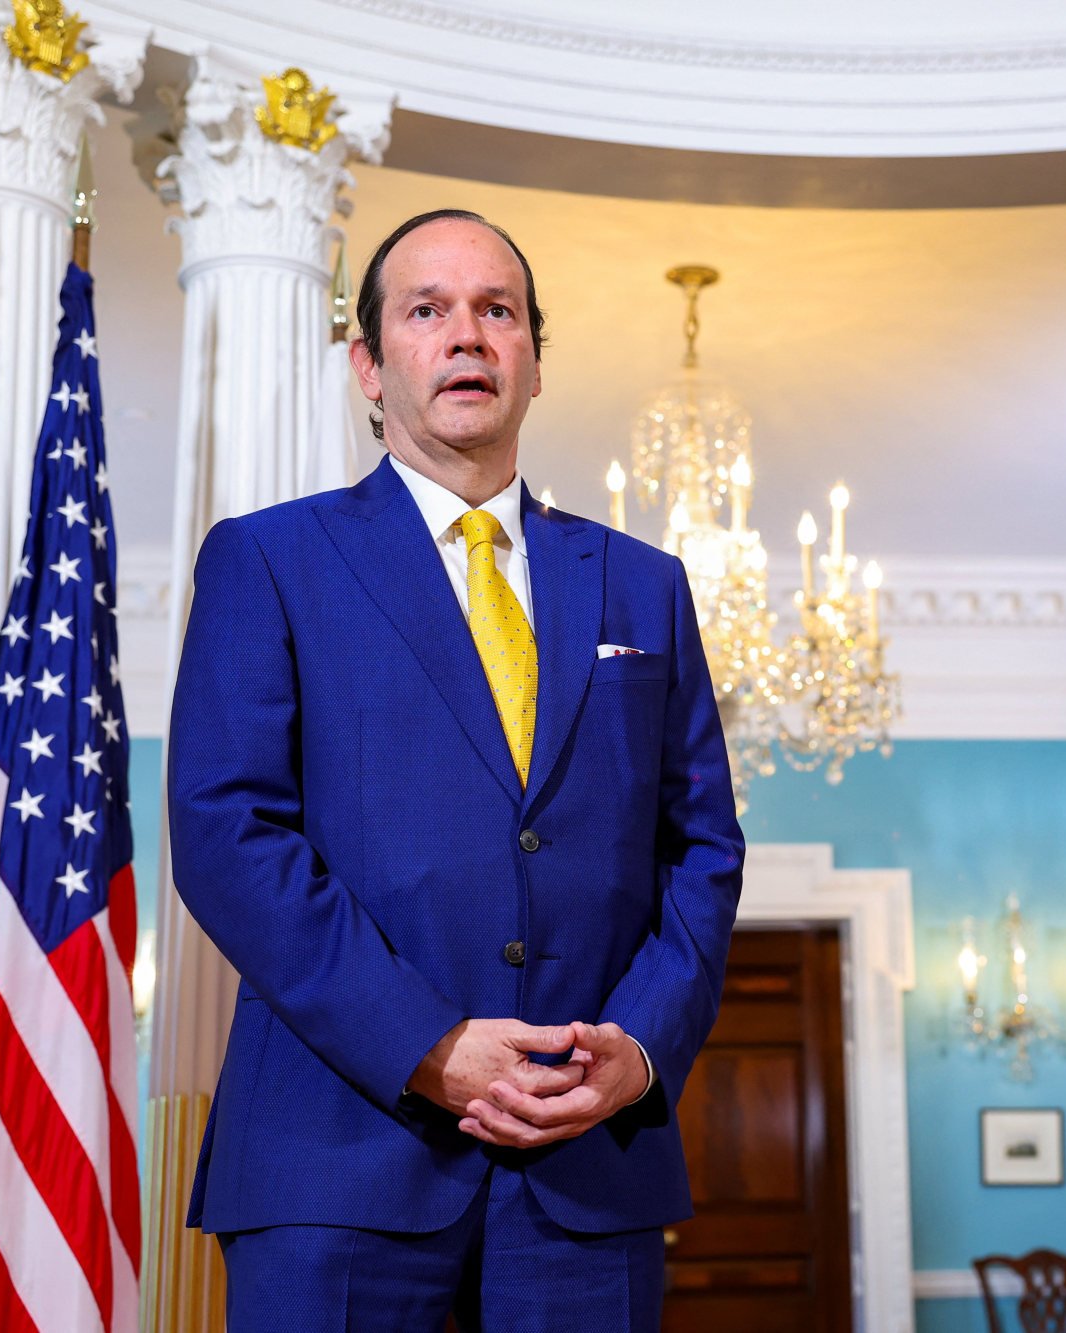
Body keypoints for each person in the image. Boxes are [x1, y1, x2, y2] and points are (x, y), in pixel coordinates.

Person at [168, 208, 745, 1332]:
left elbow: (702, 850)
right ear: (369, 366)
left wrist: (638, 1047)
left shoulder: (645, 585)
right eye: (426, 311)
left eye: (498, 311)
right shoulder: (270, 559)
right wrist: (425, 1044)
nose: (468, 336)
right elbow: (228, 833)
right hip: (334, 1167)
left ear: (534, 358)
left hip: (588, 1170)